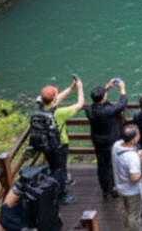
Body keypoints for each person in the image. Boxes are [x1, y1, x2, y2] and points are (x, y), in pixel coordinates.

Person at [37, 77, 83, 205]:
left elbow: (55, 99)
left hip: (47, 145)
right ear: (54, 98)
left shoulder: (41, 108)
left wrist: (71, 88)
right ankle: (61, 196)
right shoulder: (59, 113)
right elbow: (80, 105)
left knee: (54, 168)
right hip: (59, 145)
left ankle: (56, 189)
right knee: (60, 170)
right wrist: (80, 88)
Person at [88, 78, 129, 200]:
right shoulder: (108, 110)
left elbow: (97, 99)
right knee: (113, 165)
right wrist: (122, 89)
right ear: (104, 98)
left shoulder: (89, 109)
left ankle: (106, 191)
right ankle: (114, 189)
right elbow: (123, 103)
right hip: (111, 141)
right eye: (105, 94)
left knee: (102, 166)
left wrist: (106, 88)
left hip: (98, 141)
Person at [113, 124, 142, 231]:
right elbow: (135, 178)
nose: (139, 135)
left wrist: (137, 155)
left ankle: (127, 227)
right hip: (132, 191)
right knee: (134, 214)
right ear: (133, 139)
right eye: (138, 134)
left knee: (127, 210)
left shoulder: (116, 145)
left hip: (120, 186)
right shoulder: (132, 157)